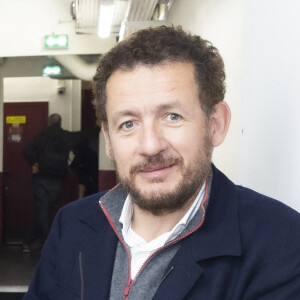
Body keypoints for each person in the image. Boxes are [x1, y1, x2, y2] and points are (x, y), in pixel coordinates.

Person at [24, 26, 300, 299]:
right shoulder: (72, 224)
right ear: (108, 139)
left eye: (172, 116)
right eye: (128, 123)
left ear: (215, 124)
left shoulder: (282, 241)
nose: (150, 145)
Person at [21, 114, 73, 253]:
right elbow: (81, 138)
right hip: (57, 178)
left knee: (42, 211)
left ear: (49, 122)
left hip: (41, 177)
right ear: (60, 122)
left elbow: (25, 150)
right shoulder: (65, 136)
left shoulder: (41, 135)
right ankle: (35, 242)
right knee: (45, 211)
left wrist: (35, 162)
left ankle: (40, 243)